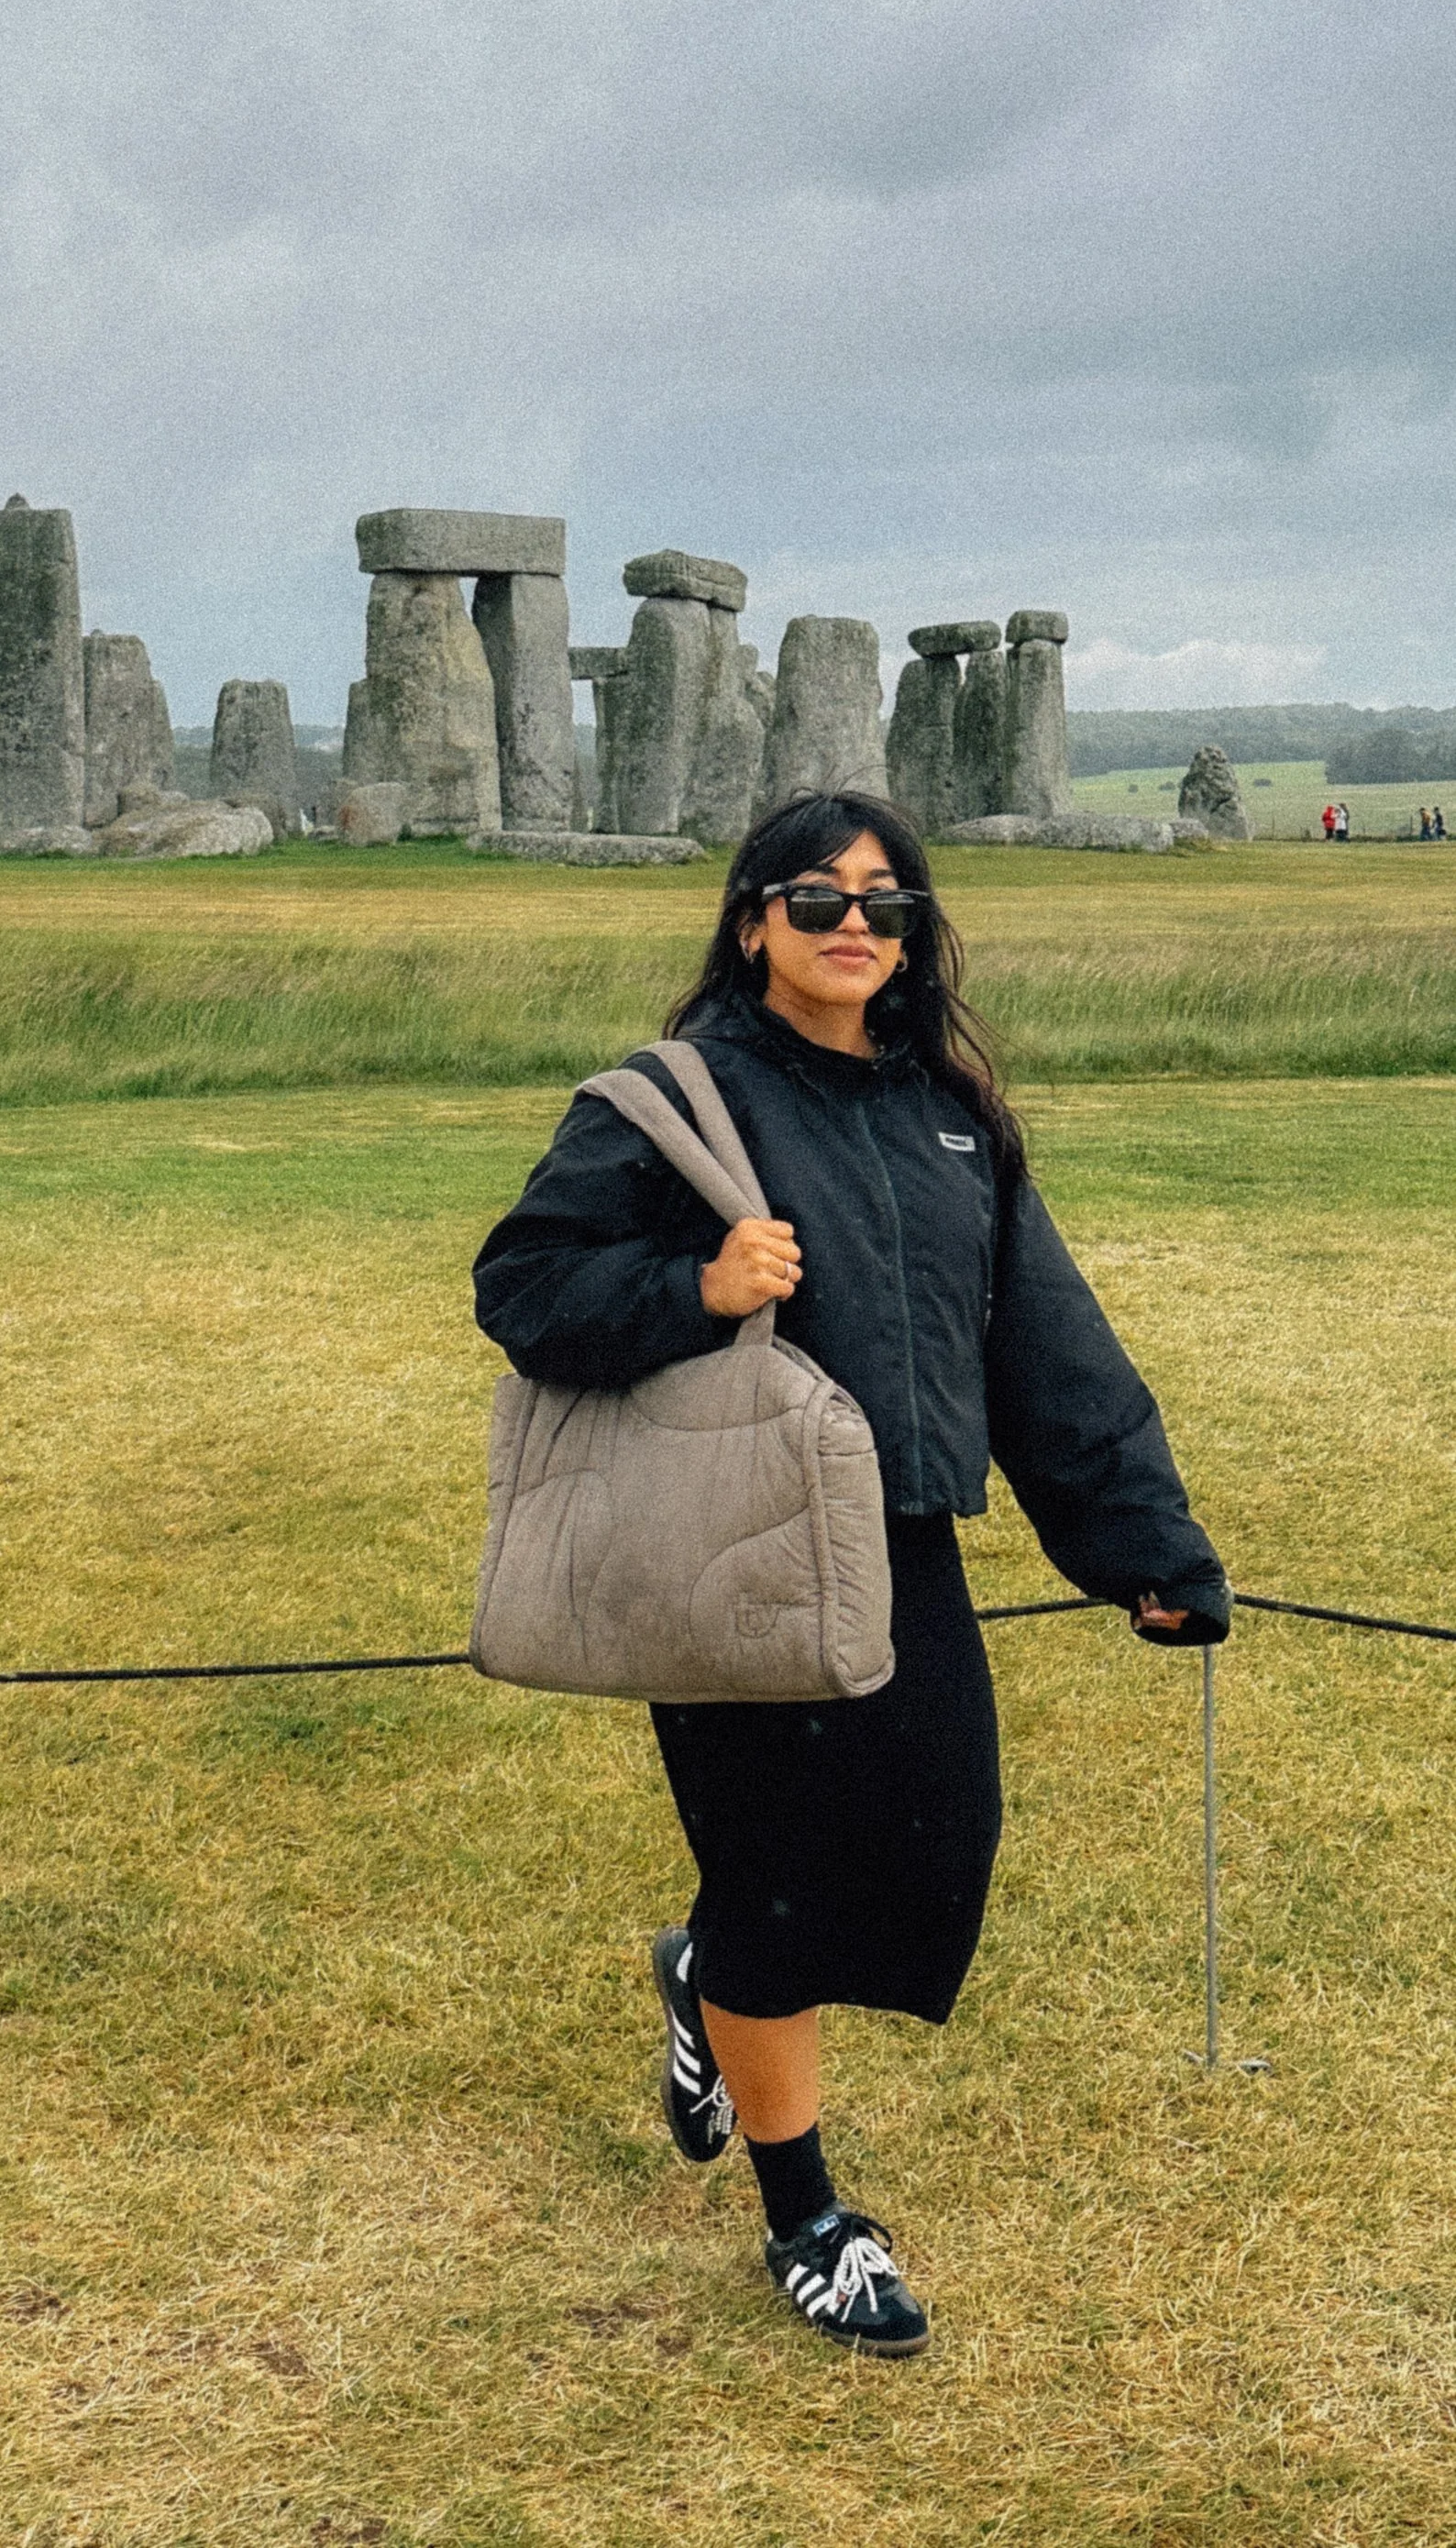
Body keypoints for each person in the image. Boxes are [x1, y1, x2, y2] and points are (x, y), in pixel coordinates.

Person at [474, 791, 1230, 2359]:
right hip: (732, 1548)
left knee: (934, 1843)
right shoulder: (670, 1104)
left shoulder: (949, 1115)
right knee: (786, 1893)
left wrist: (1142, 1544)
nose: (850, 923)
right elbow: (524, 1286)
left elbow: (1046, 1347)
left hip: (902, 1544)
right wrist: (693, 1284)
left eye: (885, 901)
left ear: (915, 933)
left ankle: (705, 1980)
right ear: (752, 921)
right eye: (814, 895)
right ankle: (807, 2216)